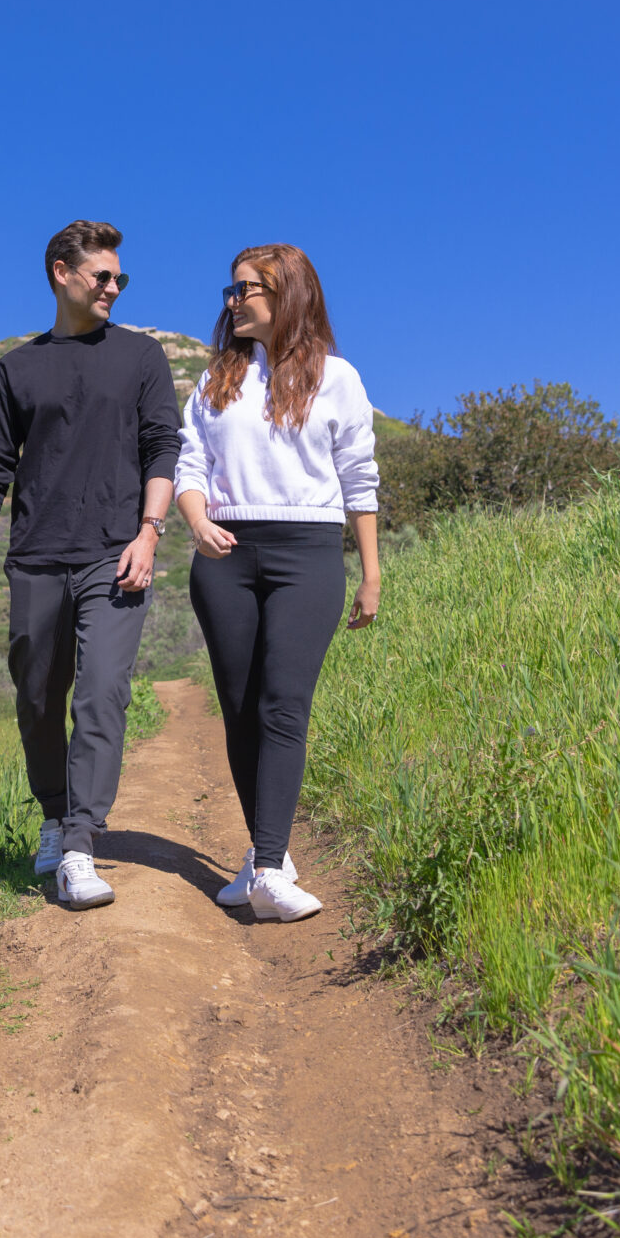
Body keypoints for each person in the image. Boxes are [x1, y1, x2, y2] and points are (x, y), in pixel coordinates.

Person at [0, 220, 182, 911]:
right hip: (34, 559)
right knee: (37, 700)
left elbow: (162, 450)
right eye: (102, 276)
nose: (113, 287)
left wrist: (149, 533)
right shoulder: (18, 369)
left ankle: (82, 845)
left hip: (114, 552)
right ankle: (55, 814)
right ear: (63, 273)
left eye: (121, 278)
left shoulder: (141, 357)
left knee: (102, 694)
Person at [173, 243, 379, 922]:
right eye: (228, 291)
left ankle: (266, 871)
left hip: (308, 552)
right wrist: (197, 523)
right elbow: (190, 466)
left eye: (245, 290)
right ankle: (271, 854)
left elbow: (360, 477)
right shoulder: (214, 381)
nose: (231, 301)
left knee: (283, 703)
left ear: (286, 294)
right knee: (238, 707)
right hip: (225, 554)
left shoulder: (338, 378)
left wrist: (370, 572)